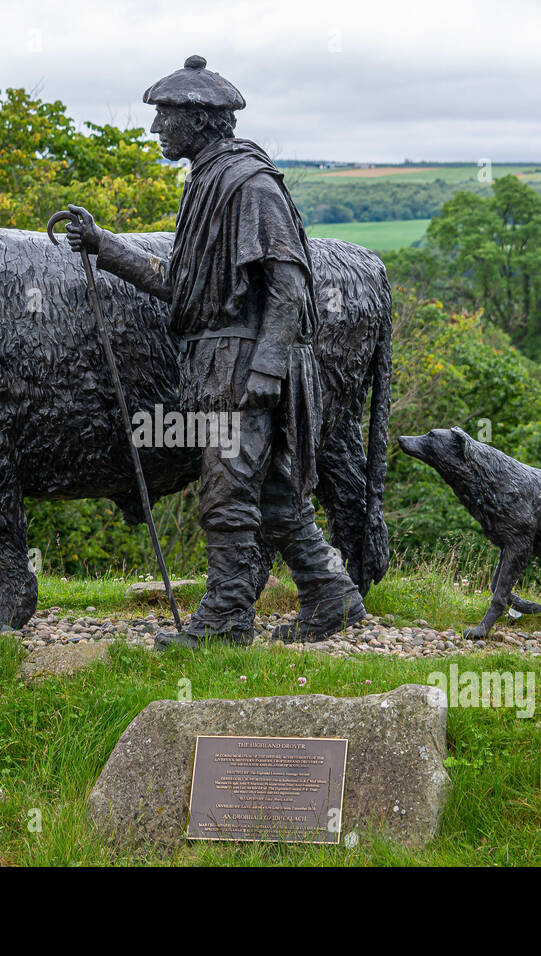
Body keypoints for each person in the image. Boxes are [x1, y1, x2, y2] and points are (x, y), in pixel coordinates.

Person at [65, 55, 365, 649]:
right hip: (218, 364)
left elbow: (288, 283)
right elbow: (178, 282)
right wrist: (103, 246)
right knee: (273, 492)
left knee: (226, 493)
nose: (155, 129)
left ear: (200, 119)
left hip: (245, 362)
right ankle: (331, 593)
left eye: (165, 116)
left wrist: (268, 366)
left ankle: (226, 621)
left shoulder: (249, 185)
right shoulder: (205, 182)